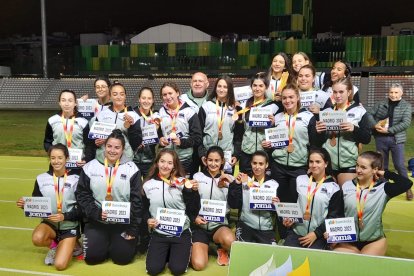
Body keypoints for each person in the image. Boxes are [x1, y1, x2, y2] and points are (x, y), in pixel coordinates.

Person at [75, 130, 143, 265]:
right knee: (92, 258)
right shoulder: (90, 167)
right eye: (109, 146)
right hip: (98, 221)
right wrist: (96, 213)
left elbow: (137, 201)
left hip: (122, 223)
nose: (112, 150)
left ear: (123, 149)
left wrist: (133, 229)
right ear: (104, 146)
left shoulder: (132, 169)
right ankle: (102, 241)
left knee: (122, 259)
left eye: (117, 147)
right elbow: (82, 195)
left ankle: (119, 242)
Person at [268, 83, 324, 239]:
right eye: (284, 98)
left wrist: (310, 166)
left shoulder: (308, 117)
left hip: (299, 168)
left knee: (296, 202)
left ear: (298, 98)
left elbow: (314, 144)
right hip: (278, 166)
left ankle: (293, 235)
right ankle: (283, 236)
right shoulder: (277, 118)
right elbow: (274, 142)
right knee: (280, 202)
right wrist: (269, 146)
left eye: (291, 97)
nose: (287, 101)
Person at [334, 151, 412, 256]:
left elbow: (406, 183)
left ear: (375, 169)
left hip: (374, 241)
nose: (358, 170)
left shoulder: (383, 189)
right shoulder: (346, 186)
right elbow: (338, 212)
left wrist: (385, 173)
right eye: (357, 165)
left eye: (363, 167)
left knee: (365, 267)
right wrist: (333, 232)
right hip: (348, 240)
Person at [16, 144, 81, 270]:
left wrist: (64, 216)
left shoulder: (76, 179)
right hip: (50, 224)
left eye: (60, 158)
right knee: (37, 238)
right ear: (49, 159)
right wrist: (26, 205)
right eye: (53, 158)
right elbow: (37, 203)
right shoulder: (41, 179)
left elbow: (83, 209)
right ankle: (54, 246)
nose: (56, 161)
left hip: (69, 226)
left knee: (60, 265)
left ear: (67, 158)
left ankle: (74, 245)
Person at [142, 149, 199, 276]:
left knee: (177, 270)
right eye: (162, 161)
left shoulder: (183, 183)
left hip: (181, 233)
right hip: (159, 232)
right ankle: (167, 253)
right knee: (153, 270)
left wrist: (194, 192)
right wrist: (147, 220)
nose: (165, 166)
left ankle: (175, 252)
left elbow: (193, 208)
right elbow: (143, 208)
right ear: (156, 163)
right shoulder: (147, 185)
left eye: (169, 163)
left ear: (174, 165)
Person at [283, 147, 344, 249]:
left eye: (318, 162)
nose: (314, 165)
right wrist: (289, 218)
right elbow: (293, 204)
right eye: (311, 162)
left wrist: (316, 234)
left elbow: (333, 217)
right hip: (296, 233)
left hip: (318, 236)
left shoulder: (334, 188)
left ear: (326, 163)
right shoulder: (299, 180)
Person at [316, 77, 372, 186]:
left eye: (341, 92)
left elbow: (367, 138)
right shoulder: (326, 112)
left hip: (348, 164)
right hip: (328, 164)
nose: (337, 95)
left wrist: (354, 129)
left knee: (345, 198)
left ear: (349, 92)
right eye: (335, 92)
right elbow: (318, 141)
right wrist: (318, 132)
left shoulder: (359, 111)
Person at [191, 146, 236, 269]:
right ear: (205, 160)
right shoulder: (197, 177)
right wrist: (194, 217)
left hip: (218, 226)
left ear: (222, 161)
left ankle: (221, 247)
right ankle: (205, 246)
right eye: (210, 160)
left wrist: (230, 187)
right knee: (198, 265)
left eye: (217, 161)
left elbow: (235, 204)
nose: (213, 164)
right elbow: (190, 202)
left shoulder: (228, 179)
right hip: (200, 226)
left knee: (231, 241)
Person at [368, 83, 413, 200]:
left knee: (399, 165)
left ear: (401, 93)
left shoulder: (406, 106)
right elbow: (369, 114)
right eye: (391, 92)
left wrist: (389, 130)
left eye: (396, 92)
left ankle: (408, 188)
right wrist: (375, 125)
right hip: (380, 138)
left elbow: (405, 123)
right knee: (383, 165)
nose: (393, 95)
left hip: (396, 139)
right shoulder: (381, 103)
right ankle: (383, 189)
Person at [228, 151, 279, 244]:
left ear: (266, 165)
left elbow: (276, 211)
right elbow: (233, 205)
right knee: (242, 253)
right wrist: (236, 184)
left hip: (265, 229)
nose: (257, 167)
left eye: (261, 164)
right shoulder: (244, 180)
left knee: (269, 256)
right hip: (246, 225)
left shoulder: (274, 184)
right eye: (254, 163)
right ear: (251, 163)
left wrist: (277, 205)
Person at [237, 72, 281, 174]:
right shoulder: (244, 106)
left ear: (266, 87)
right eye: (255, 85)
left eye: (261, 86)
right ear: (251, 87)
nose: (257, 89)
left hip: (264, 153)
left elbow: (279, 132)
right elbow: (239, 131)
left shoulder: (274, 106)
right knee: (245, 185)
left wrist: (273, 124)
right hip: (247, 153)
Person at [158, 81, 202, 176]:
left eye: (170, 93)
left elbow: (197, 138)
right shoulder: (160, 112)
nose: (168, 97)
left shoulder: (189, 112)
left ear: (177, 93)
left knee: (185, 188)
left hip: (184, 160)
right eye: (164, 95)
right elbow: (159, 133)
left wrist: (182, 142)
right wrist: (160, 139)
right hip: (166, 161)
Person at [44, 89, 93, 173]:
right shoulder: (52, 120)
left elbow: (89, 145)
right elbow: (47, 142)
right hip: (58, 164)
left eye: (70, 101)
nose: (66, 104)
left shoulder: (83, 122)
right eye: (63, 100)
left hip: (77, 165)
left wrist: (85, 159)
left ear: (75, 103)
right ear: (59, 102)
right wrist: (53, 152)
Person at [91, 81, 141, 163]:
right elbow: (92, 140)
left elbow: (136, 143)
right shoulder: (101, 115)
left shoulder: (133, 116)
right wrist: (96, 142)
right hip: (103, 160)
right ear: (110, 96)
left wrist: (131, 126)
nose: (119, 97)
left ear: (125, 96)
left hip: (124, 160)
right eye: (115, 94)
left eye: (122, 94)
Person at [198, 76, 239, 173]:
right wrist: (202, 154)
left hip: (227, 155)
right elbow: (199, 133)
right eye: (219, 86)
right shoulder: (206, 106)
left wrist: (236, 155)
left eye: (225, 87)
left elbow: (238, 135)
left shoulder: (234, 109)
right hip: (208, 155)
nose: (221, 89)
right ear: (215, 87)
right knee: (206, 184)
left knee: (225, 185)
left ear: (229, 89)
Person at [180, 72, 210, 176]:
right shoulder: (181, 99)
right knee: (188, 180)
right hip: (188, 147)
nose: (197, 83)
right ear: (190, 83)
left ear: (207, 84)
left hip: (206, 147)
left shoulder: (213, 100)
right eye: (195, 81)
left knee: (207, 179)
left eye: (200, 81)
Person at [132, 86, 160, 178]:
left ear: (153, 100)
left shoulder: (156, 116)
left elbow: (159, 137)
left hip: (149, 160)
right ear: (139, 99)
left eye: (149, 98)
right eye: (143, 98)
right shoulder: (132, 114)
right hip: (133, 159)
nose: (146, 101)